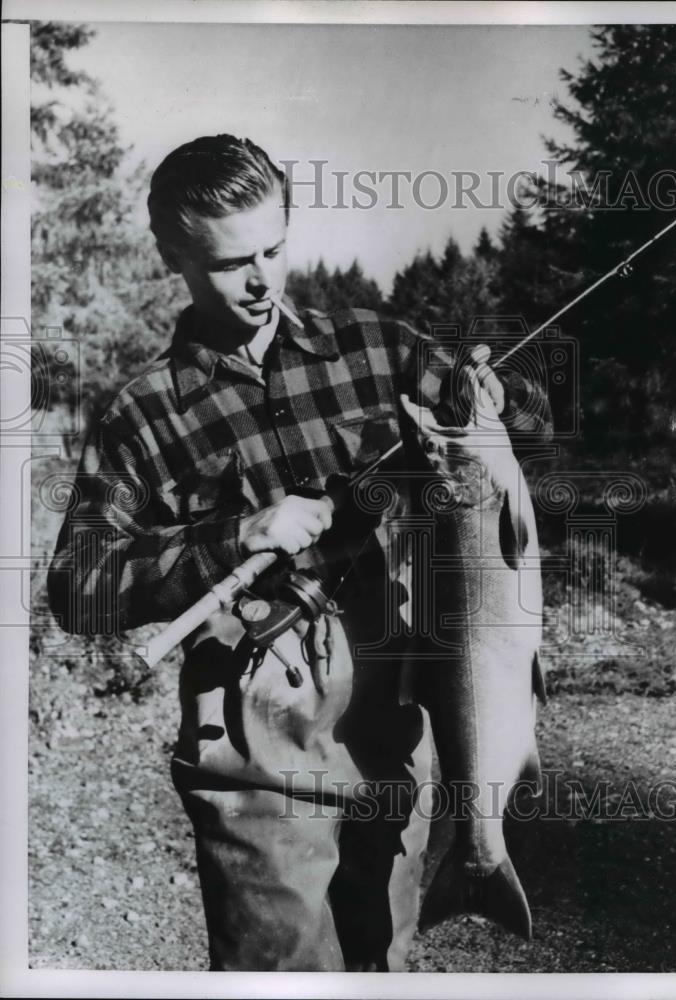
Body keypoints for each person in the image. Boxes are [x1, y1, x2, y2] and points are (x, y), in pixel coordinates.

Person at [47, 134, 552, 972]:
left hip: (393, 731)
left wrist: (503, 400)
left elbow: (519, 436)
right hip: (256, 758)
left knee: (378, 966)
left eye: (274, 250)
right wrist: (234, 536)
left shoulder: (379, 349)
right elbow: (78, 589)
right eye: (229, 263)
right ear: (172, 254)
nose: (260, 282)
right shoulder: (143, 413)